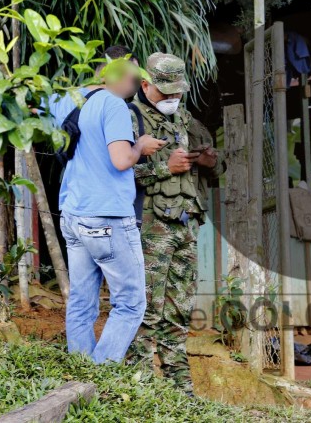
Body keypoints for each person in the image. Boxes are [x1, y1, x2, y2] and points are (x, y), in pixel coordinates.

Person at [49, 48, 165, 364]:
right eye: (132, 72)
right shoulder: (113, 106)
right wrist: (140, 145)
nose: (136, 80)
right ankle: (100, 372)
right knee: (130, 303)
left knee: (82, 301)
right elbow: (120, 160)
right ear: (110, 71)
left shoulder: (66, 99)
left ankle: (81, 369)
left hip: (73, 214)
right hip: (107, 217)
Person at [128, 53, 220, 393]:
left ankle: (180, 389)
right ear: (145, 84)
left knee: (179, 312)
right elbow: (117, 172)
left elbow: (215, 169)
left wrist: (209, 162)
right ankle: (139, 387)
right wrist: (167, 166)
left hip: (186, 226)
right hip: (151, 228)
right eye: (165, 92)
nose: (172, 99)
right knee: (145, 311)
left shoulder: (185, 118)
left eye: (177, 92)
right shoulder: (130, 119)